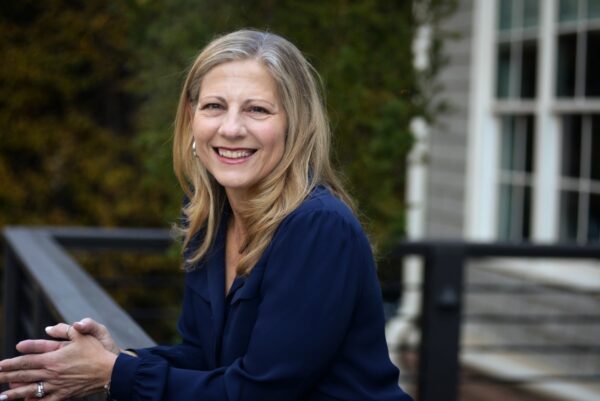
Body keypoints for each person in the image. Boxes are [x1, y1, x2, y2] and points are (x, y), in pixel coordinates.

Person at [0, 29, 413, 401]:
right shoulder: (210, 216)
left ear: (295, 126)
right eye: (215, 106)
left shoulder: (317, 227)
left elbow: (261, 390)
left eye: (257, 110)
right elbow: (204, 357)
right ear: (191, 118)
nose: (231, 128)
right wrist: (116, 356)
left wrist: (114, 374)